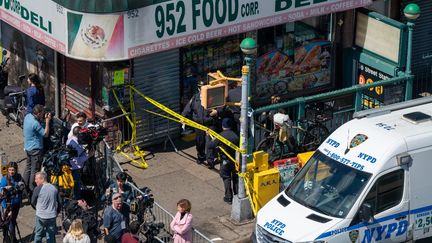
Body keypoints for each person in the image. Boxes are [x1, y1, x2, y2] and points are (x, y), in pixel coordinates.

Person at [181, 81, 218, 168]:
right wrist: (183, 116)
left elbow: (220, 108)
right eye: (201, 88)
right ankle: (201, 157)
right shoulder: (195, 98)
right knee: (199, 142)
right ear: (199, 88)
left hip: (210, 124)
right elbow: (188, 108)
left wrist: (216, 112)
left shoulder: (212, 97)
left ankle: (210, 161)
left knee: (210, 143)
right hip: (199, 125)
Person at [208, 118, 239, 204]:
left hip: (225, 161)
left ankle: (228, 197)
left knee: (226, 178)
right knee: (236, 178)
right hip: (236, 160)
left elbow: (210, 145)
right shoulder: (236, 135)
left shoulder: (220, 136)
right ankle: (237, 195)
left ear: (222, 126)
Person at [23, 104, 51, 194]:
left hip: (28, 147)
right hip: (36, 149)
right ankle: (33, 189)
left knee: (28, 167)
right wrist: (47, 121)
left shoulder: (28, 116)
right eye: (42, 113)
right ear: (38, 113)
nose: (43, 114)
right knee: (34, 170)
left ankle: (24, 186)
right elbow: (45, 134)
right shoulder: (35, 123)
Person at [31, 171, 61, 243]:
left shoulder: (37, 189)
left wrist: (37, 208)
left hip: (41, 216)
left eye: (36, 179)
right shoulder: (54, 187)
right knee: (50, 235)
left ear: (42, 179)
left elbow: (32, 201)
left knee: (38, 234)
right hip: (52, 216)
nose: (35, 181)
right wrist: (57, 212)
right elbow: (59, 202)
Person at [0, 162, 24, 243]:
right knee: (8, 223)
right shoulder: (4, 179)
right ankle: (9, 239)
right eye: (9, 170)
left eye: (13, 170)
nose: (11, 171)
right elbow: (1, 192)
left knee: (13, 221)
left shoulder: (19, 177)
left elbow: (22, 188)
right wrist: (5, 189)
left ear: (16, 170)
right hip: (7, 205)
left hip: (16, 203)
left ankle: (12, 238)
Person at [66, 126, 91, 200]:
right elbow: (76, 159)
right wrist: (88, 156)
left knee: (77, 184)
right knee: (76, 184)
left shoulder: (73, 139)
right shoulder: (73, 143)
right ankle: (77, 200)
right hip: (73, 168)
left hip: (74, 167)